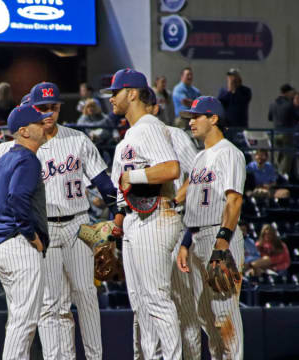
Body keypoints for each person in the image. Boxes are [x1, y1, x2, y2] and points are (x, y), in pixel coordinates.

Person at [0, 82, 122, 360]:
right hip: (42, 229)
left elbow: (105, 186)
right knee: (52, 304)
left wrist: (117, 219)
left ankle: (95, 356)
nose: (49, 113)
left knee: (86, 295)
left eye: (54, 107)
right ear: (31, 109)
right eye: (43, 108)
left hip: (77, 224)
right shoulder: (14, 149)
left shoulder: (77, 139)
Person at [105, 68, 182, 359]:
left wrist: (133, 178)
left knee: (156, 299)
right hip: (136, 221)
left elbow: (171, 169)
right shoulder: (128, 137)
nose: (111, 98)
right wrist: (114, 230)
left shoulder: (148, 126)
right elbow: (121, 194)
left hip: (157, 215)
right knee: (141, 304)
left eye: (115, 92)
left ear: (132, 93)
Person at [174, 95, 246, 359]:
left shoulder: (230, 153)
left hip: (219, 235)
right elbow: (191, 204)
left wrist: (222, 243)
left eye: (196, 117)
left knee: (225, 313)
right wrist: (184, 243)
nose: (191, 122)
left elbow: (234, 200)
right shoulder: (199, 157)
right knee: (204, 315)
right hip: (195, 237)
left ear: (213, 118)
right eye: (190, 118)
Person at [0, 104, 50, 360]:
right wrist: (31, 236)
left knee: (17, 320)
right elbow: (18, 197)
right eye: (39, 123)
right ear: (24, 131)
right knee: (25, 322)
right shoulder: (27, 159)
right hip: (21, 247)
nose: (44, 125)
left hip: (2, 246)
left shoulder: (2, 159)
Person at [144, 87, 200, 359]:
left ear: (155, 109)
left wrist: (176, 200)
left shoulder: (175, 135)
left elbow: (197, 173)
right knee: (147, 309)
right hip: (144, 229)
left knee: (184, 305)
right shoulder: (132, 138)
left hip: (174, 225)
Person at [268, 84, 299, 176]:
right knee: (287, 155)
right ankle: (284, 175)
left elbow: (270, 117)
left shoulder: (273, 103)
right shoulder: (289, 104)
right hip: (287, 133)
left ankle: (275, 174)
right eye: (291, 92)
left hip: (275, 132)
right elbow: (296, 117)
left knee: (277, 156)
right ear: (287, 93)